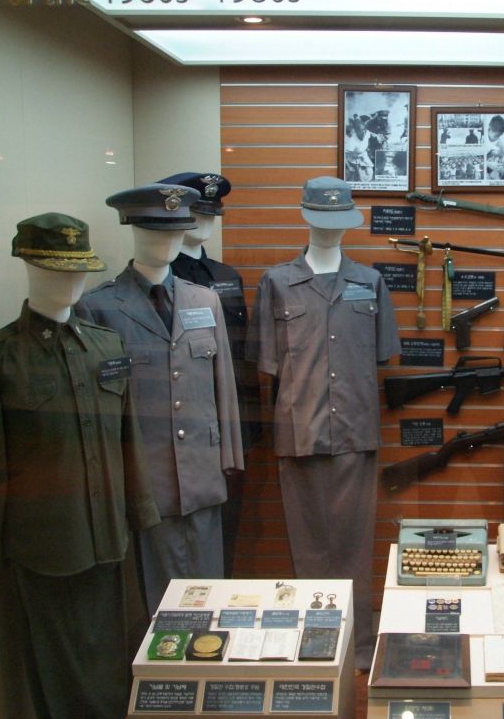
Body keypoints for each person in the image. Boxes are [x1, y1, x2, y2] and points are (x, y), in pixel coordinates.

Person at [0, 214, 160, 719]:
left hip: (107, 537)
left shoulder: (107, 347)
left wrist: (139, 510)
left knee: (112, 660)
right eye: (52, 269)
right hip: (45, 545)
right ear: (26, 266)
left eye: (75, 271)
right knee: (58, 673)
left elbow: (128, 440)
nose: (68, 283)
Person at [248, 177, 400, 670]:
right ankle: (315, 646)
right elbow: (267, 363)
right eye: (322, 219)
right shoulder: (275, 284)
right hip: (300, 431)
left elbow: (381, 352)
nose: (331, 231)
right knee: (308, 546)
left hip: (355, 430)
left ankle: (357, 647)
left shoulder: (370, 283)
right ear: (305, 217)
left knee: (355, 545)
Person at [77, 184, 243, 616]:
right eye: (155, 231)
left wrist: (228, 457)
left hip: (202, 477)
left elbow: (222, 384)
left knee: (211, 600)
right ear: (133, 229)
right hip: (144, 480)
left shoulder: (204, 300)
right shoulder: (99, 308)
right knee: (154, 604)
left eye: (174, 231)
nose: (167, 242)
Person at [157, 172, 261, 578]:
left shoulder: (226, 276)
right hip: (180, 427)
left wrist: (248, 428)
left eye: (210, 214)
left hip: (230, 425)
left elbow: (242, 358)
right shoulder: (164, 282)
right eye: (197, 213)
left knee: (225, 535)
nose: (205, 222)